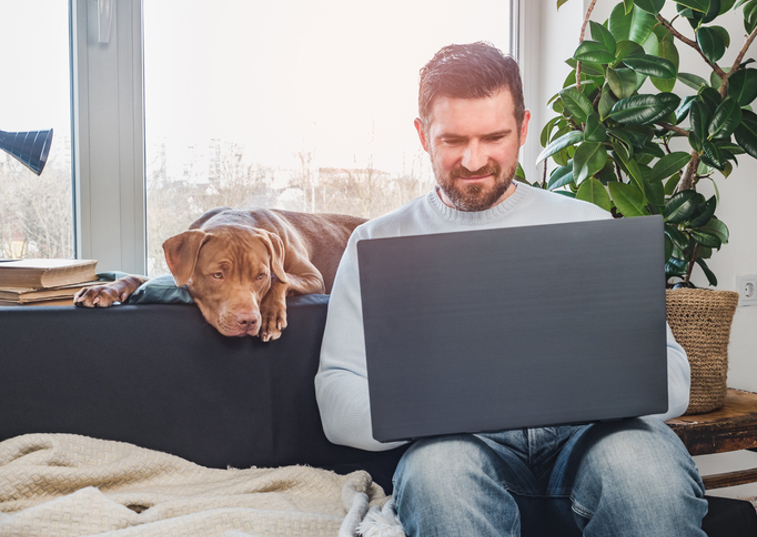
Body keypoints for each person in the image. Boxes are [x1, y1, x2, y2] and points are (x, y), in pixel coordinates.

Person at [315, 42, 707, 536]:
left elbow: (672, 379)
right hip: (454, 447)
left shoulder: (586, 222)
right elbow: (335, 396)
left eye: (494, 137)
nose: (474, 160)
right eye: (453, 140)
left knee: (646, 474)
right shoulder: (377, 241)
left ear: (523, 128)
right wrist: (443, 406)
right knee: (440, 479)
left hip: (593, 439)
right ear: (422, 134)